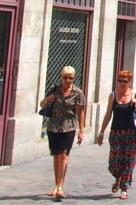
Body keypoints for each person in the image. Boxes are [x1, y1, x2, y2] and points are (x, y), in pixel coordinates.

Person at [95, 70, 136, 200]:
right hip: (116, 133)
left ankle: (124, 188)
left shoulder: (134, 94)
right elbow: (108, 115)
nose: (122, 83)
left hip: (131, 134)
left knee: (129, 162)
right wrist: (101, 133)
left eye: (124, 81)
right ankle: (117, 177)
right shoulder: (113, 95)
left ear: (130, 82)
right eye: (120, 80)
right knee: (114, 163)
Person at [39, 66, 85, 199]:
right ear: (61, 77)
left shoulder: (77, 92)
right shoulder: (55, 90)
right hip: (53, 127)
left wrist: (81, 130)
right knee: (56, 156)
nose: (68, 80)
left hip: (69, 127)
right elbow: (42, 105)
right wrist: (48, 99)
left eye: (70, 78)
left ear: (74, 78)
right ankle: (56, 184)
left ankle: (60, 187)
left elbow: (81, 112)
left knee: (64, 155)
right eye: (65, 77)